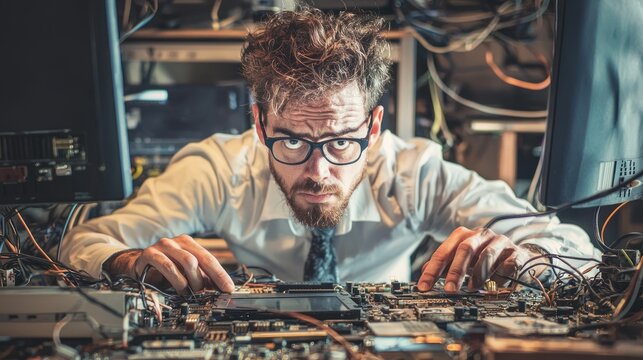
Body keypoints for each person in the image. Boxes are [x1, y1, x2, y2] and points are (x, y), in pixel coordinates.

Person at [62, 7, 600, 294]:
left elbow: (578, 250)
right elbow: (87, 241)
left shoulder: (415, 173)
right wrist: (129, 260)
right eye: (292, 140)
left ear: (373, 127)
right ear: (258, 124)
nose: (318, 172)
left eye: (341, 141)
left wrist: (529, 261)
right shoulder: (216, 169)